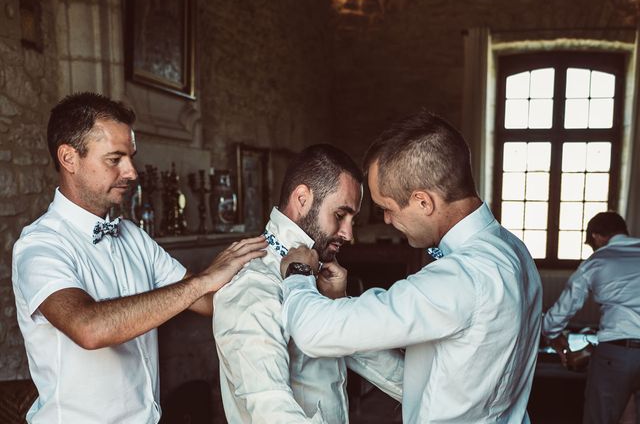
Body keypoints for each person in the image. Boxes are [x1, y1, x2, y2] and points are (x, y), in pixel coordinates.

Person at [11, 92, 266, 424]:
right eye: (114, 159)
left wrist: (285, 278)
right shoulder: (40, 245)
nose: (131, 172)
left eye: (131, 157)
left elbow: (209, 302)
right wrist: (201, 280)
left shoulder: (133, 235)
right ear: (69, 158)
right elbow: (89, 328)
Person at [280, 110, 543, 423]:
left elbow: (312, 332)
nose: (388, 222)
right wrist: (341, 305)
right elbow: (422, 381)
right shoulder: (514, 250)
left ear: (423, 202)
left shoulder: (460, 278)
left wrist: (297, 273)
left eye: (387, 209)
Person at [213, 144, 404, 423]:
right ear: (302, 198)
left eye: (353, 219)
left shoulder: (320, 277)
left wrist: (340, 305)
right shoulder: (252, 286)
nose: (349, 233)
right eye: (340, 215)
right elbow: (272, 412)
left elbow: (386, 369)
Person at [542, 211, 640, 424]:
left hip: (617, 353)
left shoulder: (597, 261)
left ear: (596, 236)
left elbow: (562, 310)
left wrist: (551, 333)